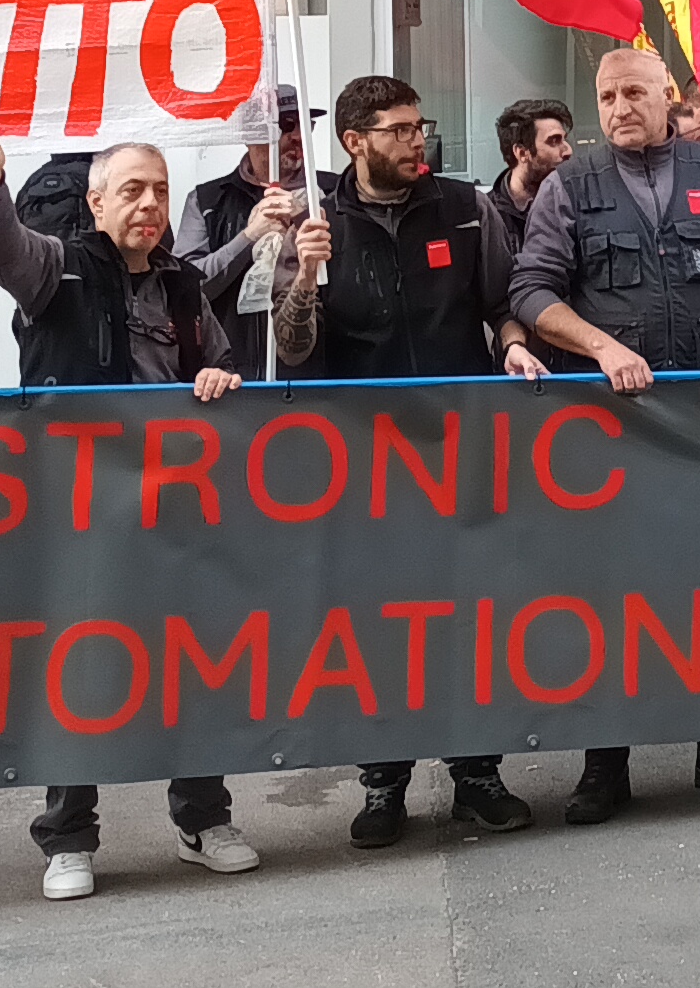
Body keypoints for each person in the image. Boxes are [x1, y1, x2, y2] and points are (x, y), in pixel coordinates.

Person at [505, 45, 700, 819]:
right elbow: (532, 290)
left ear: (666, 96)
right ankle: (607, 762)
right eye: (606, 96)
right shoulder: (570, 187)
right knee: (615, 595)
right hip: (616, 431)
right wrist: (599, 347)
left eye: (635, 92)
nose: (620, 107)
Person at [0, 137, 262, 897]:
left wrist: (216, 375)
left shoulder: (182, 282)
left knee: (187, 664)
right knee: (79, 667)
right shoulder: (57, 269)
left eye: (161, 191)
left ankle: (203, 818)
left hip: (174, 511)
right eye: (132, 190)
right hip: (79, 512)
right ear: (96, 202)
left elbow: (220, 363)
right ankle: (68, 839)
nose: (150, 206)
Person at [275, 75, 539, 846]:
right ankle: (383, 780)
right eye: (396, 130)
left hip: (461, 447)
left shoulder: (465, 207)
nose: (414, 141)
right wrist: (304, 278)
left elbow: (502, 301)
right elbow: (290, 353)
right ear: (354, 141)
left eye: (418, 127)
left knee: (468, 616)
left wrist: (516, 346)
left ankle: (477, 774)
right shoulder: (315, 222)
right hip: (366, 465)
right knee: (380, 627)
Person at [175, 84, 303, 382]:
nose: (298, 136)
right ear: (251, 136)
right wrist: (248, 237)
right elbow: (187, 288)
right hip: (232, 376)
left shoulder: (329, 193)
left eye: (305, 125)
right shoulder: (207, 200)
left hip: (315, 378)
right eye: (286, 125)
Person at [473, 94, 574, 262]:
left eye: (564, 139)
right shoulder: (486, 216)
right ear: (521, 152)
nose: (568, 150)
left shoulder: (574, 206)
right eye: (554, 141)